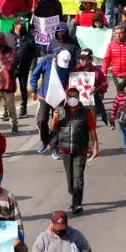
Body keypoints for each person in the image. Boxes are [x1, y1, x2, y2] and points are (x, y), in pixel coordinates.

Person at [50, 86, 99, 215]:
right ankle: (73, 193)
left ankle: (77, 203)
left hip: (80, 150)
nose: (72, 99)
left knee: (78, 177)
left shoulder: (86, 113)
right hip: (65, 150)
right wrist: (55, 118)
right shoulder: (60, 111)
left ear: (78, 98)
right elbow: (53, 128)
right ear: (66, 98)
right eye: (70, 96)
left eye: (75, 96)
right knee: (70, 178)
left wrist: (95, 146)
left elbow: (92, 131)